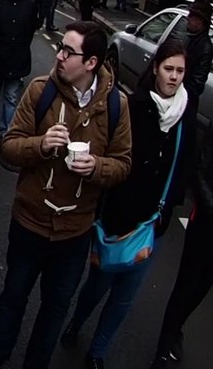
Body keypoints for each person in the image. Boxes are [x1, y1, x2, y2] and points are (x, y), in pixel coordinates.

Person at [0, 21, 132, 369]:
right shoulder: (40, 91)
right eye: (59, 48)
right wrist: (41, 145)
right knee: (13, 295)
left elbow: (122, 164)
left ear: (90, 63)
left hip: (75, 231)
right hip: (30, 219)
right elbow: (9, 147)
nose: (58, 56)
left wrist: (96, 167)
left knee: (56, 306)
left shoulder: (116, 105)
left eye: (68, 52)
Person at [62, 40, 193, 369]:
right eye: (169, 69)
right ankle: (76, 323)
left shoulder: (184, 115)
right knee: (97, 286)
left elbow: (184, 166)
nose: (174, 77)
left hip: (151, 224)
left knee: (124, 297)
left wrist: (166, 210)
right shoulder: (133, 107)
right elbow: (112, 158)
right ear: (155, 69)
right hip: (117, 220)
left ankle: (98, 352)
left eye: (180, 71)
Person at [150, 58, 213, 366]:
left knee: (202, 286)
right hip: (207, 219)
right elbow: (200, 168)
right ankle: (164, 339)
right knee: (188, 281)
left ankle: (177, 329)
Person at [0, 0, 41, 140]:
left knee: (11, 97)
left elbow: (32, 26)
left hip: (18, 57)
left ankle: (5, 129)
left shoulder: (30, 3)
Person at [176, 0, 212, 102]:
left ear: (200, 21)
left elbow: (197, 84)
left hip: (184, 103)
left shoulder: (205, 48)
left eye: (191, 16)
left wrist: (177, 94)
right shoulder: (189, 37)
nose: (187, 18)